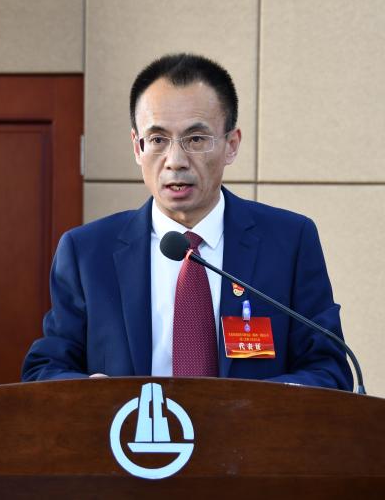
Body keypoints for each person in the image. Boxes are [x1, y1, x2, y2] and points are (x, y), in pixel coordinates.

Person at [22, 53, 352, 389]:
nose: (175, 161)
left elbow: (329, 369)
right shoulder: (88, 252)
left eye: (195, 139)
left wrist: (265, 406)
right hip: (133, 424)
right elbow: (45, 368)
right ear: (137, 147)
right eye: (157, 140)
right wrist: (90, 393)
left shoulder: (289, 242)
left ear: (231, 145)